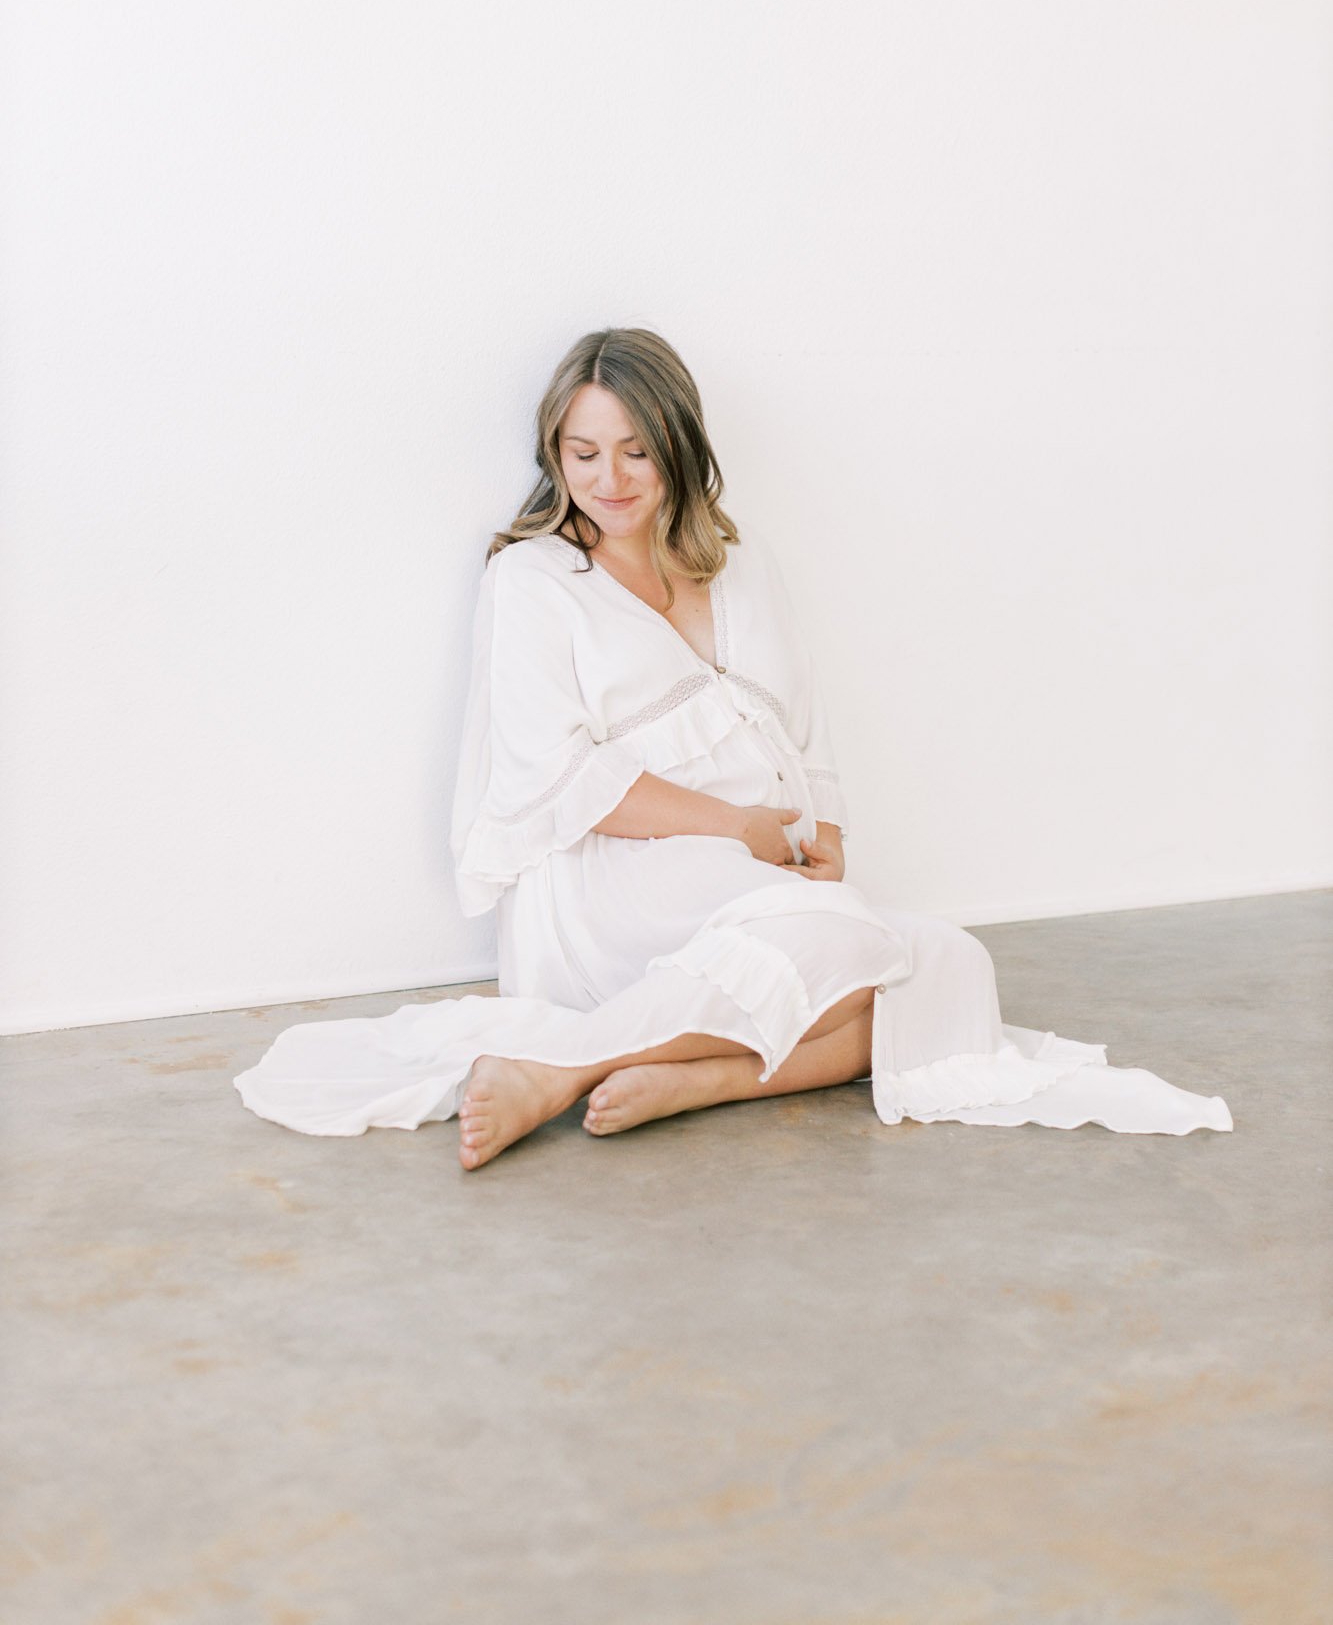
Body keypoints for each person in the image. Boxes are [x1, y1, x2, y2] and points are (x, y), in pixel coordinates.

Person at [234, 328, 1234, 1163]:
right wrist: (741, 830)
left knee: (948, 961)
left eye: (634, 448)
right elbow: (558, 778)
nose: (609, 478)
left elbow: (806, 732)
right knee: (856, 952)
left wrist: (824, 833)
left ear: (677, 441)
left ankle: (678, 1076)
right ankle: (573, 1063)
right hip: (608, 877)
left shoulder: (737, 564)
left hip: (750, 872)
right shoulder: (533, 580)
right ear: (555, 454)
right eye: (583, 452)